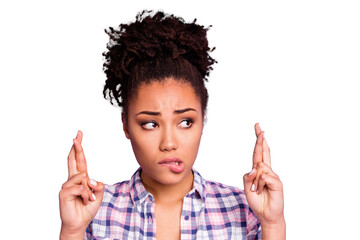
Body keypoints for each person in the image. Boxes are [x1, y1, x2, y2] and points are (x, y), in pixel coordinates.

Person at [59, 10, 285, 240]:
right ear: (126, 126)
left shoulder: (243, 210)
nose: (169, 143)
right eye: (150, 124)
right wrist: (73, 230)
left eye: (185, 122)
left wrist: (273, 223)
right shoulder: (96, 212)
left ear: (202, 121)